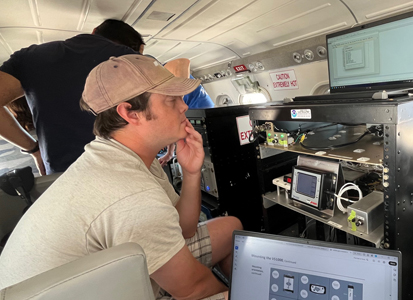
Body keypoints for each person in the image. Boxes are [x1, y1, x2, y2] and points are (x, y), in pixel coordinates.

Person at [0, 55, 241, 300]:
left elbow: (184, 229)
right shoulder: (131, 194)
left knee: (231, 227)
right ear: (129, 112)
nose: (184, 106)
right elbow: (193, 289)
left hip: (100, 276)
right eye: (171, 100)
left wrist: (191, 172)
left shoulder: (122, 154)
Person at [0, 19, 143, 175]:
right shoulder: (133, 61)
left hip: (64, 176)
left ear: (94, 31)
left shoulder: (30, 58)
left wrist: (33, 148)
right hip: (125, 170)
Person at [159, 58, 214, 166]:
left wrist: (169, 152)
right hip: (204, 112)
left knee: (206, 157)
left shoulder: (171, 75)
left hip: (200, 114)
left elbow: (172, 118)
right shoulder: (171, 73)